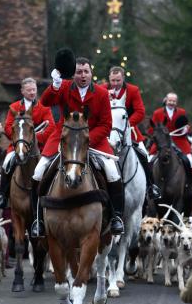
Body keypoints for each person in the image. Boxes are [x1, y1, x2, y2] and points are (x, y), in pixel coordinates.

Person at [31, 57, 124, 237]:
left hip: (93, 140)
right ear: (73, 74)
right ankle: (38, 220)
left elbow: (106, 124)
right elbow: (45, 102)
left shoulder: (102, 93)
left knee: (113, 172)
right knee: (38, 171)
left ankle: (116, 217)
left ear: (91, 73)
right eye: (79, 72)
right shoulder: (64, 87)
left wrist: (86, 140)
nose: (82, 75)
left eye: (86, 72)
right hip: (62, 138)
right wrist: (55, 85)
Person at [102, 66, 161, 200]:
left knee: (144, 154)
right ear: (109, 79)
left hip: (129, 129)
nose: (115, 84)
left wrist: (127, 124)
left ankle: (151, 187)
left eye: (118, 80)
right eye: (113, 80)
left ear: (123, 78)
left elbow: (140, 111)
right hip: (106, 130)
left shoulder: (132, 90)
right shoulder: (102, 89)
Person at [0, 77, 55, 208]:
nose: (32, 93)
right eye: (29, 90)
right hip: (18, 145)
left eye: (34, 89)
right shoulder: (14, 107)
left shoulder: (44, 107)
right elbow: (8, 127)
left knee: (53, 165)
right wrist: (20, 140)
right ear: (22, 91)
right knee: (6, 164)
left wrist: (33, 140)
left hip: (39, 147)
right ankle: (3, 195)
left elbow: (51, 127)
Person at [147, 92, 192, 193]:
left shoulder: (182, 112)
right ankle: (149, 186)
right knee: (149, 161)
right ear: (166, 100)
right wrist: (157, 134)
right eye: (170, 100)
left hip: (178, 139)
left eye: (174, 101)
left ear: (176, 102)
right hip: (162, 142)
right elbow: (151, 129)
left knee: (190, 161)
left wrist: (185, 129)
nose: (171, 103)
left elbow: (185, 126)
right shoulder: (157, 113)